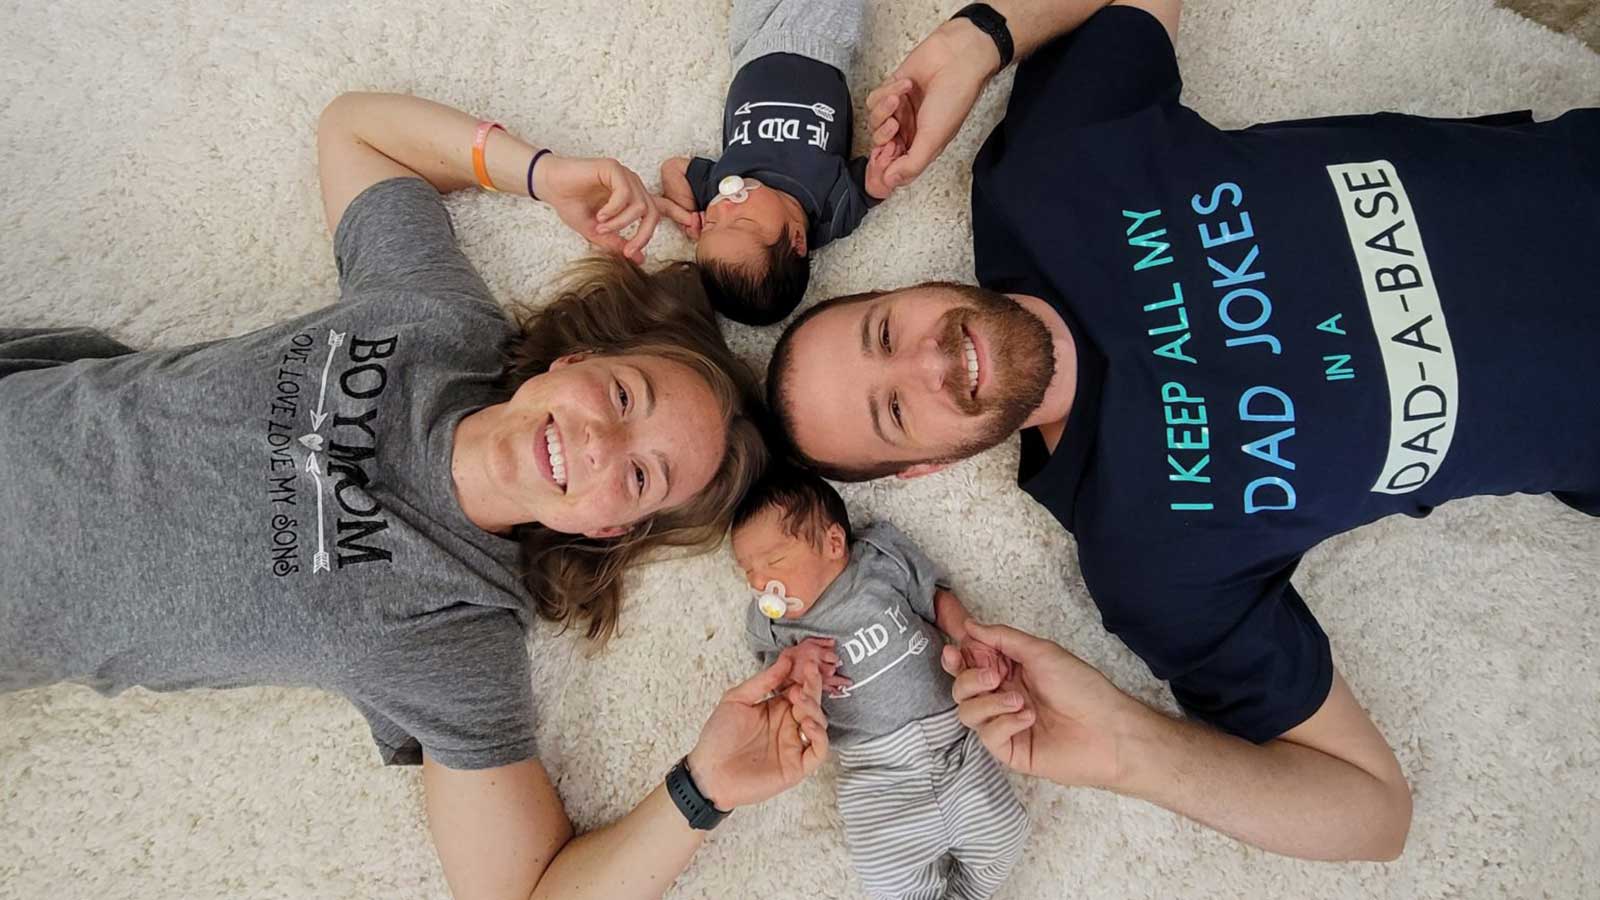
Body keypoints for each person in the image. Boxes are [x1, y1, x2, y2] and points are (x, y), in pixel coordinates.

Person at [763, 0, 1600, 862]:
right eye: (895, 412)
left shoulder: (1044, 175)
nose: (930, 363)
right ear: (924, 468)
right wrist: (1129, 747)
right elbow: (1372, 812)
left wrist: (976, 39)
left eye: (885, 334)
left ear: (904, 289)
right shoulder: (1146, 559)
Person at [0, 91, 832, 900]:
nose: (598, 444)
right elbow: (356, 132)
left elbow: (520, 891)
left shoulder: (457, 637)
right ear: (572, 365)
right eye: (621, 398)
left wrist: (704, 789)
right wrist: (538, 174)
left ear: (611, 526)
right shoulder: (436, 320)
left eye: (641, 474)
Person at [731, 468, 1028, 899]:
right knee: (889, 884)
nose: (761, 583)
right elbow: (773, 679)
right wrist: (794, 665)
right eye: (749, 574)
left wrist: (968, 635)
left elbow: (936, 597)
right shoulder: (774, 627)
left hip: (958, 745)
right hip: (875, 775)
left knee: (1007, 834)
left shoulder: (877, 560)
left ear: (834, 544)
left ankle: (969, 894)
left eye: (773, 562)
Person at [655, 0, 904, 326]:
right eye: (742, 222)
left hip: (750, 48)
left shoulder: (714, 189)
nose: (724, 208)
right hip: (819, 39)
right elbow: (872, 186)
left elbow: (673, 168)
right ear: (797, 240)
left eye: (712, 226)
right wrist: (880, 174)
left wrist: (688, 214)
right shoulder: (828, 210)